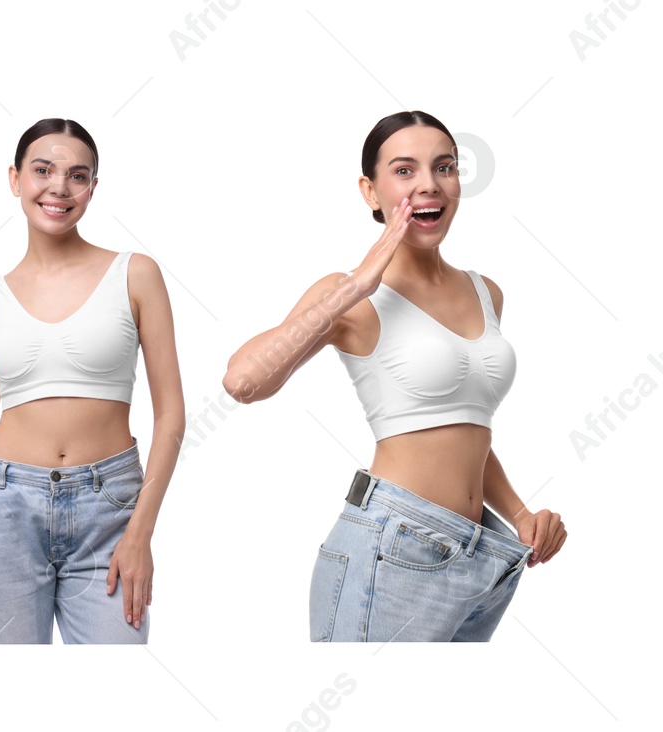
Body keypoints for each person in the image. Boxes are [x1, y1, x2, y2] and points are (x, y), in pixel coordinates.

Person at [222, 110, 567, 642]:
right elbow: (243, 382)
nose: (429, 184)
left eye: (445, 167)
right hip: (391, 546)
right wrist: (356, 284)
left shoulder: (486, 291)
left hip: (481, 552)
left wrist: (520, 512)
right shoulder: (351, 296)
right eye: (404, 170)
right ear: (370, 190)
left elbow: (460, 430)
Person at [0, 118, 185, 644]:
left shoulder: (135, 273)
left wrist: (140, 531)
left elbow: (171, 416)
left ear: (93, 188)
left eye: (78, 176)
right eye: (43, 170)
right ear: (15, 179)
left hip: (109, 508)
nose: (59, 187)